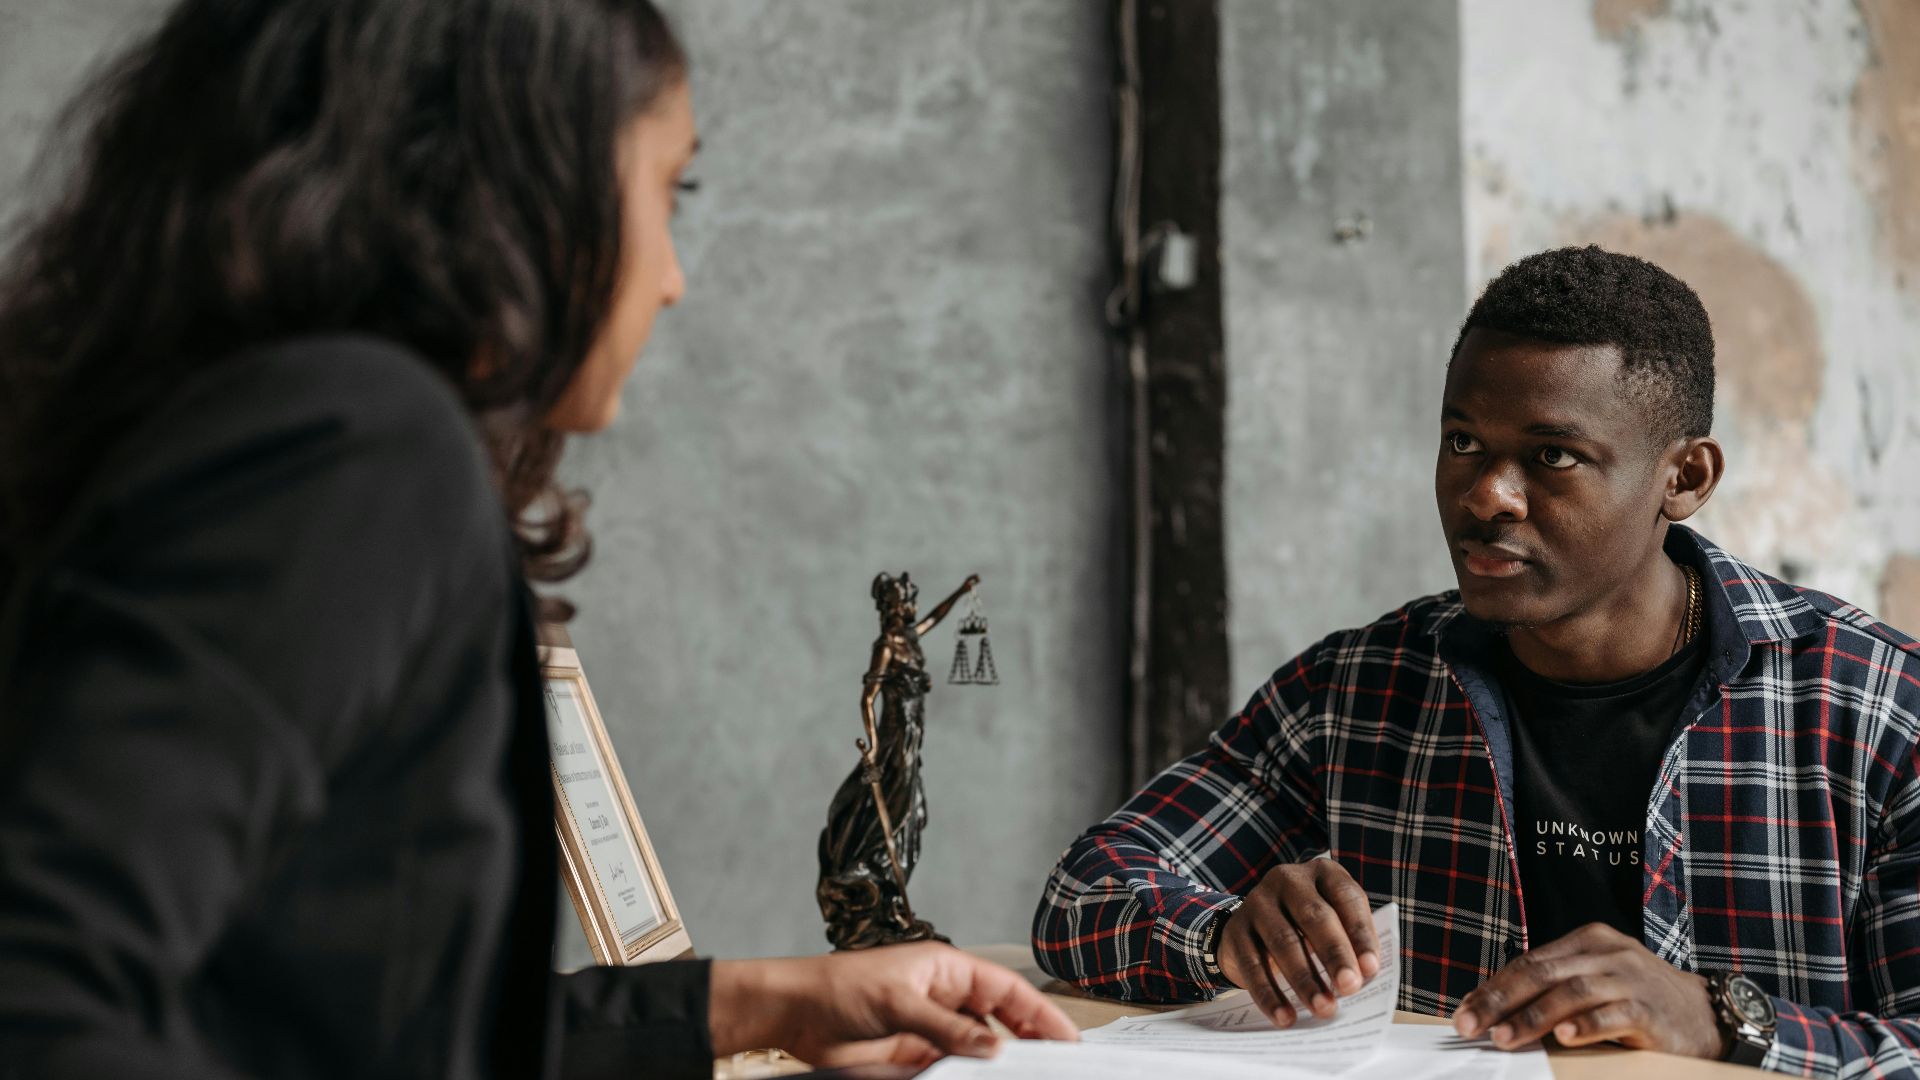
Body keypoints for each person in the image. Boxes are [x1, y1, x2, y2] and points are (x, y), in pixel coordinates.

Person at [0, 2, 1076, 1078]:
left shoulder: (253, 432)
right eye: (669, 191)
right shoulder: (360, 448)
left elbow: (369, 1040)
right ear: (512, 188)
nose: (671, 276)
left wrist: (762, 1005)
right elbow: (41, 987)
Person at [1033, 246, 1920, 1077]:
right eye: (1463, 443)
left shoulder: (1881, 712)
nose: (1487, 495)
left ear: (1683, 478)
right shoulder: (1355, 692)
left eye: (1553, 457)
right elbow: (1082, 897)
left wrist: (1726, 1020)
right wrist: (1226, 932)